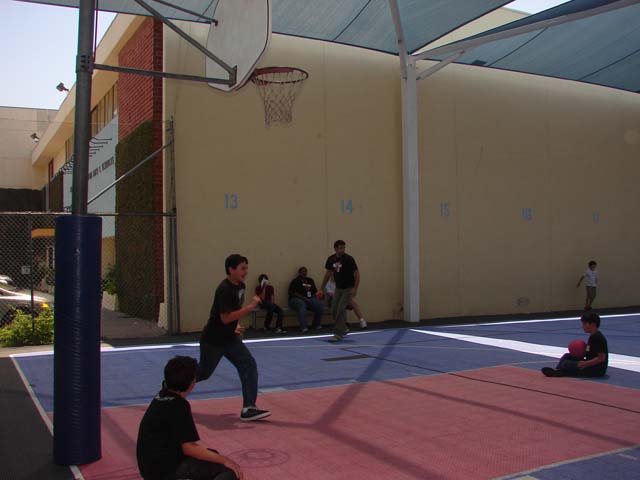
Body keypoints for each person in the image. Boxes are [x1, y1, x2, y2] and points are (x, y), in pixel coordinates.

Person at [137, 356, 243, 480]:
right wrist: (225, 460)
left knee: (212, 455)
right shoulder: (179, 406)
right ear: (192, 383)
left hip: (149, 466)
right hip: (165, 470)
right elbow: (189, 448)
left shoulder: (161, 395)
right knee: (228, 472)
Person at [197, 254, 271, 421]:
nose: (246, 271)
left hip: (229, 338)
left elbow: (232, 312)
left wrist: (235, 326)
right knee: (203, 373)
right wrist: (250, 307)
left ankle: (249, 408)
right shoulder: (224, 289)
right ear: (231, 269)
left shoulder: (241, 286)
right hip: (213, 340)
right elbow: (224, 318)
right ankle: (171, 387)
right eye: (242, 268)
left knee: (248, 365)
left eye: (246, 268)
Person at [541, 311, 608, 378]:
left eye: (584, 324)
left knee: (566, 364)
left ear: (592, 324)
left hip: (595, 370)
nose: (583, 326)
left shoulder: (597, 337)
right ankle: (559, 370)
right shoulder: (593, 336)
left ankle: (560, 371)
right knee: (567, 356)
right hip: (589, 363)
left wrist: (585, 363)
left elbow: (601, 358)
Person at [320, 240, 360, 342]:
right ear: (335, 248)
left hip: (348, 288)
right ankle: (343, 328)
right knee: (334, 309)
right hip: (338, 288)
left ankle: (338, 334)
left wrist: (355, 288)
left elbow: (357, 274)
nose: (342, 250)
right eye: (340, 248)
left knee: (341, 310)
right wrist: (321, 288)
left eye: (344, 248)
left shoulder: (349, 259)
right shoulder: (331, 259)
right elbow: (328, 274)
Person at [288, 266, 324, 332]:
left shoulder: (310, 280)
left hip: (309, 299)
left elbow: (314, 292)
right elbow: (293, 293)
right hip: (296, 300)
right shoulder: (295, 281)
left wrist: (318, 296)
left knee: (319, 305)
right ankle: (304, 327)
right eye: (303, 272)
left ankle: (316, 324)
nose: (304, 273)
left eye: (305, 271)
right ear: (299, 273)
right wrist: (304, 298)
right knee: (302, 304)